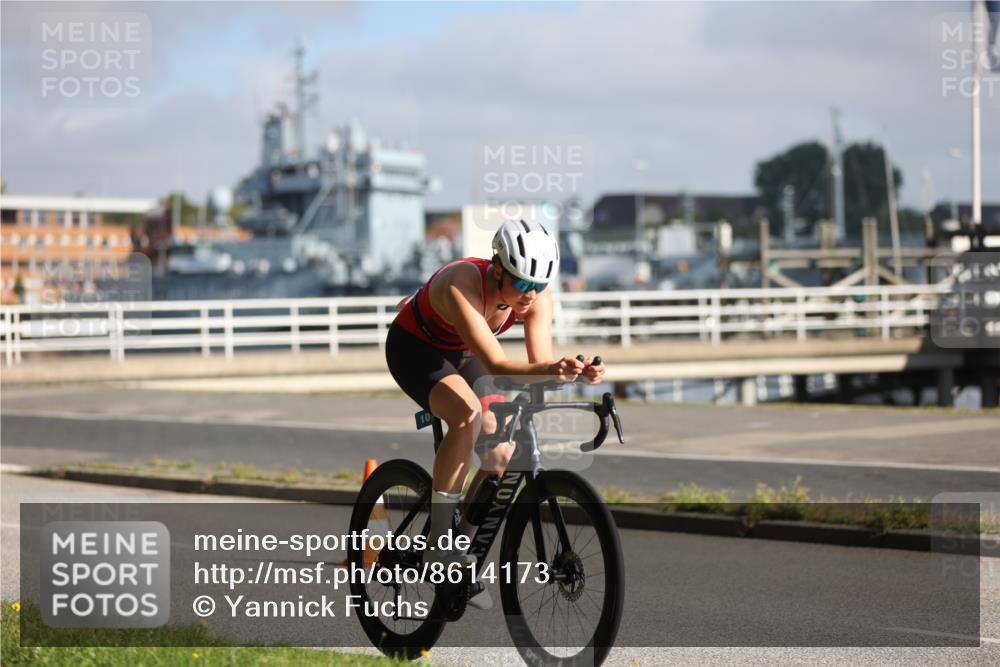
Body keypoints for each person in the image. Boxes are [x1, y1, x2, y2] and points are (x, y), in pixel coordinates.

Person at [385, 219, 605, 606]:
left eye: (538, 286)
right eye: (521, 283)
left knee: (501, 454)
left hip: (463, 353)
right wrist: (552, 369)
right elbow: (499, 364)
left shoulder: (537, 298)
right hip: (415, 349)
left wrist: (574, 372)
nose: (530, 295)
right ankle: (439, 544)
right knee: (467, 415)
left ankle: (461, 554)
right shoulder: (462, 283)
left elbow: (540, 365)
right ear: (497, 268)